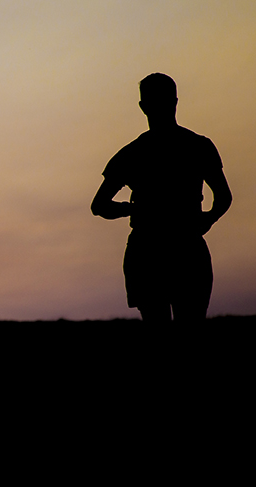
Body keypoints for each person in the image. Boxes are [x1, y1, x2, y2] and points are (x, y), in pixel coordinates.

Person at [91, 73, 232, 322]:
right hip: (178, 250)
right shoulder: (197, 146)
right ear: (175, 101)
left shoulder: (132, 153)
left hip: (154, 252)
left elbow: (99, 205)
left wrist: (132, 209)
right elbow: (223, 198)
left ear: (142, 106)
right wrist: (208, 218)